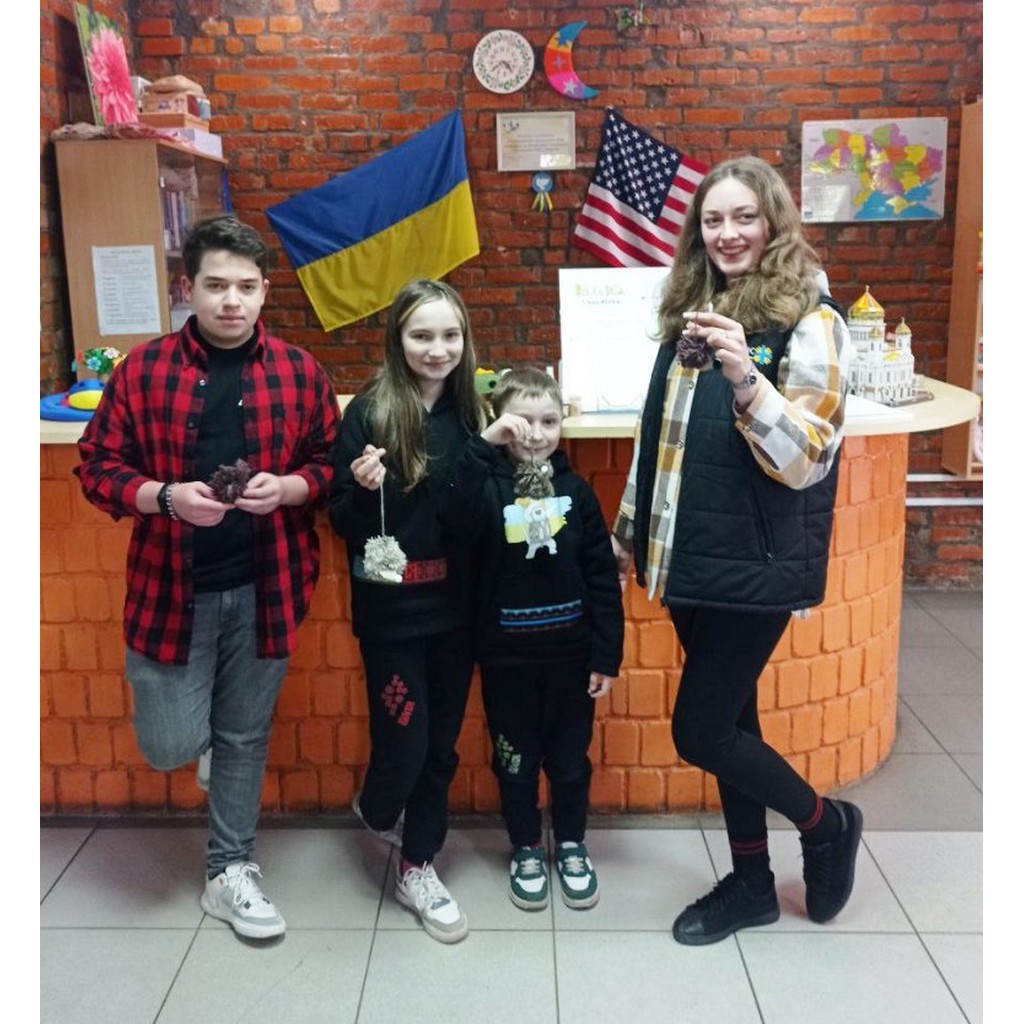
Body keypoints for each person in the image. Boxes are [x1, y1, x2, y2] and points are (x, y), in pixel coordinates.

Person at [611, 156, 862, 946]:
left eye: (744, 217)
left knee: (701, 732)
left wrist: (750, 381)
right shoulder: (692, 310)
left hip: (756, 562)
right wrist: (630, 531)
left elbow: (808, 459)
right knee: (734, 722)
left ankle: (826, 824)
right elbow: (660, 440)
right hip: (690, 557)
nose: (727, 234)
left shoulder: (812, 320)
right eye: (713, 220)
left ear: (774, 223)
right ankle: (752, 883)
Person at [75, 214, 340, 941]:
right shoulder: (143, 370)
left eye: (247, 287)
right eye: (216, 285)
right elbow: (96, 467)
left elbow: (330, 463)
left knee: (244, 736)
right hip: (170, 591)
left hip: (269, 586)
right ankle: (211, 752)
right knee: (170, 743)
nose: (232, 301)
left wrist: (290, 488)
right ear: (186, 287)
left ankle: (230, 871)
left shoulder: (299, 371)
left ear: (264, 291)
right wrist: (164, 497)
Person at [329, 278, 488, 944]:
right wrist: (365, 489)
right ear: (397, 339)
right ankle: (378, 807)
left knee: (441, 747)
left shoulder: (473, 413)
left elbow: (478, 520)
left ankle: (418, 864)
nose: (437, 349)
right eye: (422, 335)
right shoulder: (369, 413)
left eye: (450, 335)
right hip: (392, 616)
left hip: (457, 613)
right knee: (405, 744)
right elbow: (341, 520)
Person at [442, 367, 624, 911]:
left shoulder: (578, 493)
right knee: (515, 761)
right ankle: (524, 845)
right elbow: (453, 522)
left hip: (571, 660)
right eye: (523, 422)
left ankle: (570, 844)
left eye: (549, 422)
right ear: (500, 422)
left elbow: (602, 578)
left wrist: (606, 656)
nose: (537, 434)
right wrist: (484, 445)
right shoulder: (485, 488)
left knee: (569, 761)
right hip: (507, 661)